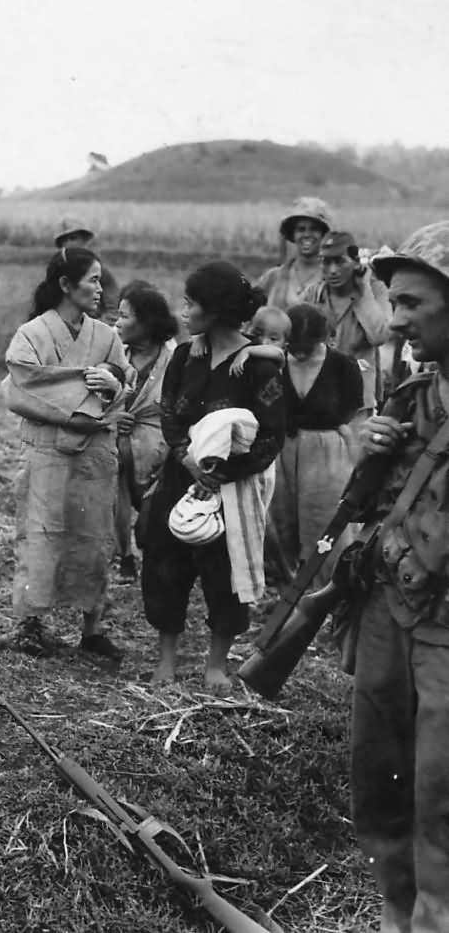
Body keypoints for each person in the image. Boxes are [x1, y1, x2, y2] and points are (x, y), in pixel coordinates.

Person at [349, 222, 449, 933]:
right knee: (380, 773)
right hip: (393, 604)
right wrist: (373, 451)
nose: (397, 319)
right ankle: (395, 916)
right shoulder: (411, 393)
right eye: (393, 301)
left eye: (412, 302)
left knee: (442, 787)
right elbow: (367, 509)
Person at [139, 262, 286, 690]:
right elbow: (168, 411)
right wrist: (187, 459)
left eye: (191, 303)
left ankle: (215, 664)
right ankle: (166, 659)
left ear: (216, 310)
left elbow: (272, 434)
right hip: (180, 477)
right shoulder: (186, 355)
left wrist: (222, 474)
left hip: (232, 487)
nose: (182, 311)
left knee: (224, 573)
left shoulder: (259, 364)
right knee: (165, 565)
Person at [2, 247, 130, 660]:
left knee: (94, 539)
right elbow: (22, 388)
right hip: (47, 451)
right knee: (40, 534)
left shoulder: (107, 336)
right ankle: (30, 625)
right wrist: (79, 397)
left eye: (99, 279)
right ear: (65, 285)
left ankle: (92, 628)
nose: (99, 288)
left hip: (95, 453)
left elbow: (125, 388)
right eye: (92, 279)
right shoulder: (32, 335)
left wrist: (112, 389)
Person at [267, 304, 364, 589]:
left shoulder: (342, 365)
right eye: (293, 345)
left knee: (324, 525)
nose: (299, 352)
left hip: (327, 451)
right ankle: (287, 589)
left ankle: (326, 590)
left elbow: (354, 409)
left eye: (306, 346)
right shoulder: (274, 363)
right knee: (281, 523)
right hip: (282, 450)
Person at [111, 282, 179, 582]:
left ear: (147, 322)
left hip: (158, 445)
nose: (117, 322)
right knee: (114, 499)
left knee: (154, 511)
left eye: (125, 316)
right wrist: (113, 417)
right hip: (114, 445)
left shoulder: (174, 358)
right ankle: (123, 557)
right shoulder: (112, 349)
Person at [302, 230, 392, 415]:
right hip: (318, 395)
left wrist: (363, 291)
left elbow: (379, 336)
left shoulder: (375, 291)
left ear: (356, 263)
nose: (333, 270)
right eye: (326, 262)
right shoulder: (313, 294)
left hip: (358, 401)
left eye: (340, 261)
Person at [257, 196, 332, 309]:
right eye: (301, 229)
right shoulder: (272, 278)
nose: (307, 234)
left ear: (323, 234)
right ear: (293, 234)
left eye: (314, 229)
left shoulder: (333, 279)